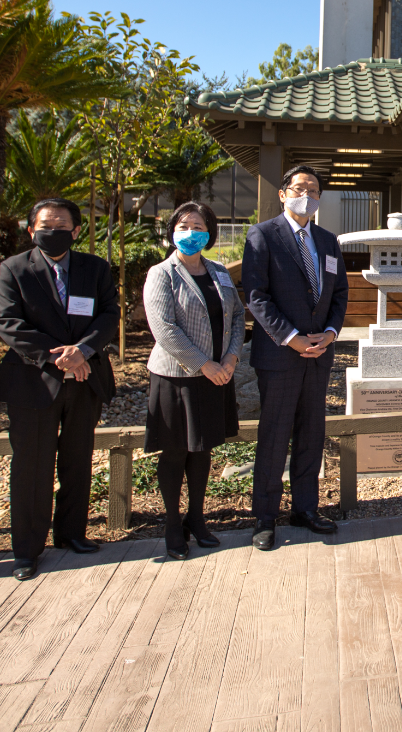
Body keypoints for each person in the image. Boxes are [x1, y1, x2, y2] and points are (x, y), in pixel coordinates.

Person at [0, 198, 119, 581]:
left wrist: (83, 351)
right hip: (33, 382)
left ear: (76, 231)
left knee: (77, 461)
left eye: (62, 224)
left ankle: (71, 534)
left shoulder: (94, 269)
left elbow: (109, 314)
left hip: (85, 380)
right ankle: (27, 549)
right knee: (32, 466)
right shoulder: (13, 268)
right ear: (31, 230)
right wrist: (57, 357)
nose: (53, 230)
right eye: (45, 224)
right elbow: (6, 320)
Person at [243, 166, 348, 551]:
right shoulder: (262, 235)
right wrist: (291, 339)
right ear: (283, 193)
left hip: (320, 354)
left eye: (314, 189)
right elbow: (257, 296)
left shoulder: (328, 240)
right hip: (280, 356)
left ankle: (305, 508)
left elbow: (339, 295)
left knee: (311, 434)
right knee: (274, 437)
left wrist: (331, 333)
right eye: (300, 188)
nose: (307, 194)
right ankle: (265, 517)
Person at [143, 201, 244, 559]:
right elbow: (164, 330)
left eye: (197, 226)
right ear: (172, 231)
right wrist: (205, 364)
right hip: (178, 377)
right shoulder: (162, 273)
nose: (190, 233)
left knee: (203, 450)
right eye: (183, 226)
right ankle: (172, 525)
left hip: (217, 375)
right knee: (174, 453)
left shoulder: (218, 272)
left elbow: (236, 318)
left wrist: (230, 357)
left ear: (209, 232)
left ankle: (196, 518)